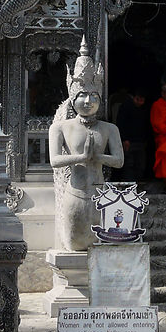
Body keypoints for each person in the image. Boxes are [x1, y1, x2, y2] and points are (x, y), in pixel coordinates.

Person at [47, 38, 124, 252]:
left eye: (93, 95)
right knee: (76, 249)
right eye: (82, 95)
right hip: (75, 195)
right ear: (73, 99)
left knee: (98, 249)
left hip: (101, 196)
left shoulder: (110, 129)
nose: (88, 101)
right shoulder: (60, 127)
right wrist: (82, 158)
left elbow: (119, 161)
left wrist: (97, 157)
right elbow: (55, 161)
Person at [114, 87, 150, 182]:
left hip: (141, 141)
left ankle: (138, 183)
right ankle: (129, 184)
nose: (139, 102)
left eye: (142, 100)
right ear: (133, 98)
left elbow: (146, 125)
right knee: (129, 164)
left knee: (140, 164)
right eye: (137, 100)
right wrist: (124, 139)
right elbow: (120, 124)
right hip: (128, 141)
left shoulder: (144, 109)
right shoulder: (125, 107)